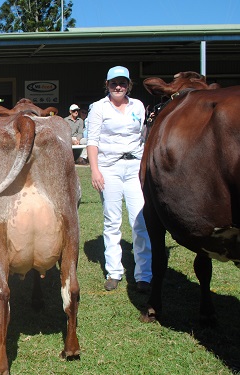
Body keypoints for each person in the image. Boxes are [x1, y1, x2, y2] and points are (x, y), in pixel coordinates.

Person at [86, 65, 152, 293]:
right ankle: (114, 272)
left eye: (122, 83)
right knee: (112, 221)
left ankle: (144, 274)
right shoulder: (98, 108)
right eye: (114, 83)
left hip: (134, 167)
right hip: (109, 168)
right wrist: (95, 170)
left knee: (140, 221)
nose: (118, 87)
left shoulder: (138, 106)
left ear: (128, 85)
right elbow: (92, 141)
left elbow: (142, 136)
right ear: (107, 85)